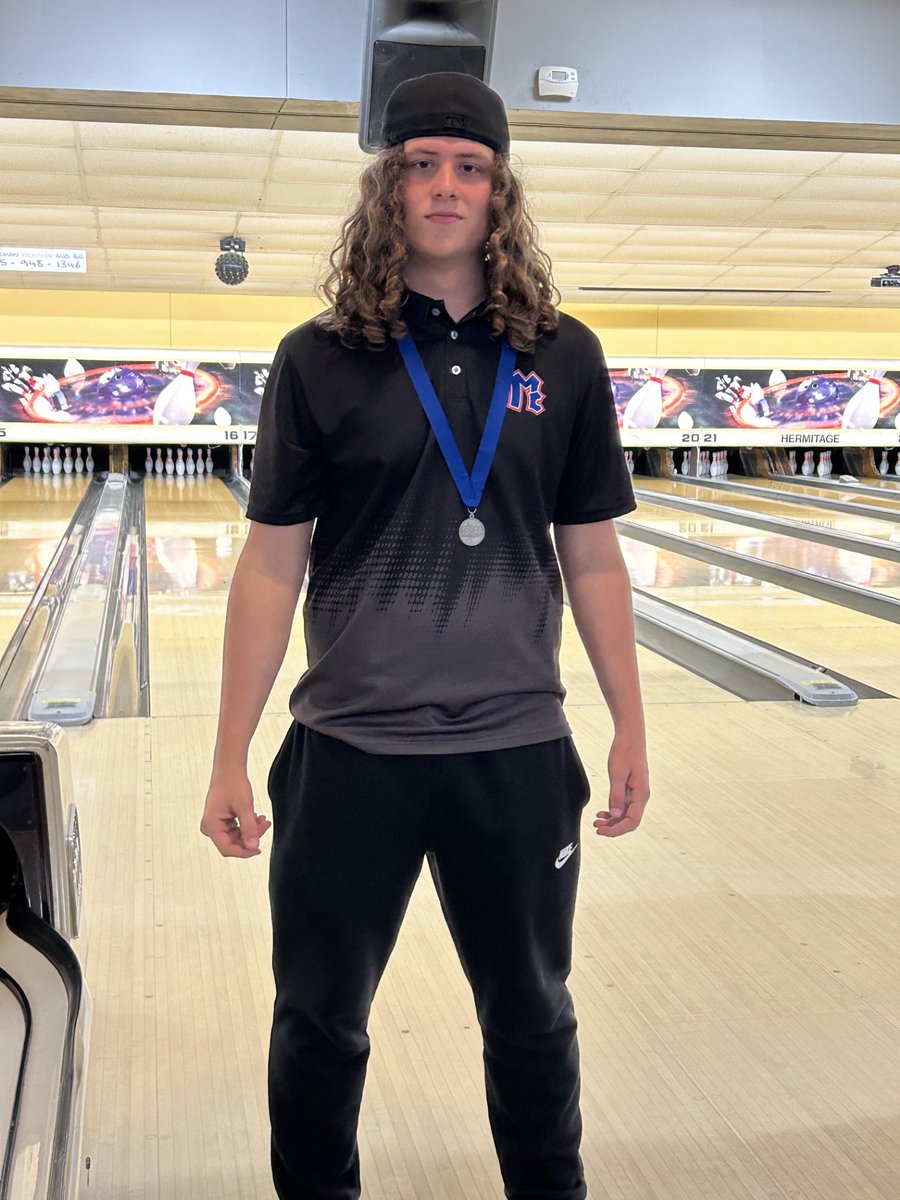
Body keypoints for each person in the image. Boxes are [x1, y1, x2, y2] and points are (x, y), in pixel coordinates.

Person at [201, 71, 650, 1200]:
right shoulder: (319, 357)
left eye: (471, 166)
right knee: (317, 1024)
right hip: (349, 755)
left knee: (535, 1018)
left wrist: (630, 724)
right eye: (420, 163)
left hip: (514, 752)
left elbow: (591, 554)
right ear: (385, 184)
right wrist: (227, 752)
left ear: (499, 192)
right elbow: (270, 561)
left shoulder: (564, 355)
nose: (445, 186)